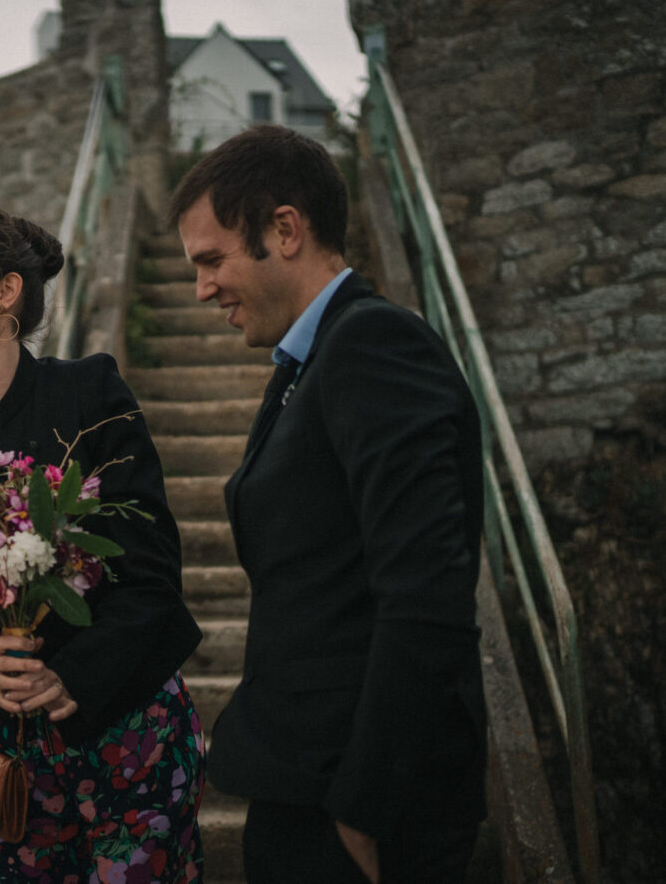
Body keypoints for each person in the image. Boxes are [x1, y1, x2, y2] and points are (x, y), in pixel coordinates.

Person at [168, 125, 486, 883]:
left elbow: (427, 594)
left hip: (360, 801)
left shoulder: (375, 345)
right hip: (305, 780)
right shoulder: (308, 362)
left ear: (285, 229)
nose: (202, 288)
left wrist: (364, 807)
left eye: (212, 261)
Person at [0, 206, 206, 883]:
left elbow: (150, 570)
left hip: (126, 724)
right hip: (13, 753)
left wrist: (71, 677)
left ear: (6, 291)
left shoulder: (90, 391)